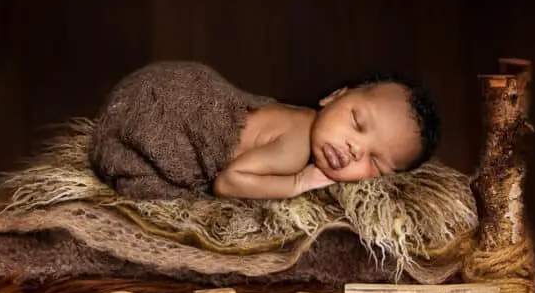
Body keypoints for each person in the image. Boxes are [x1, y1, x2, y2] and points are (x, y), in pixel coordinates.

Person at [88, 61, 440, 201]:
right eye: (357, 123)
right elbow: (229, 182)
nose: (354, 149)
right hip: (156, 107)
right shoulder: (296, 143)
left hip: (141, 89)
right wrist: (298, 184)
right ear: (334, 96)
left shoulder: (302, 122)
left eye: (375, 164)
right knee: (161, 193)